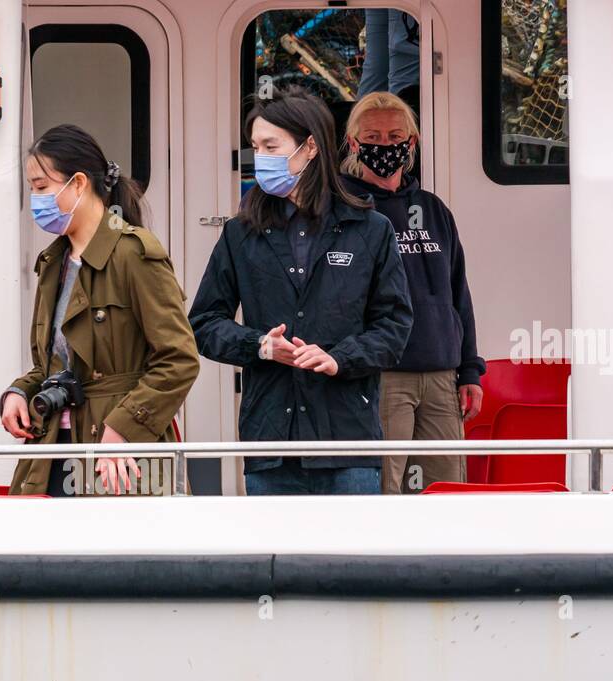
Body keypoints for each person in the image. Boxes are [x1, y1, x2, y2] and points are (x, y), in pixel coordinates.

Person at [190, 86, 412, 496]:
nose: (260, 158)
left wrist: (338, 358)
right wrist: (259, 345)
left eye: (271, 146)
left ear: (310, 147)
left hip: (348, 443)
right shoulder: (240, 233)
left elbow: (395, 327)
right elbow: (203, 323)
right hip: (271, 442)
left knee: (350, 560)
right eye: (255, 147)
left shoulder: (370, 229)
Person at [0, 125, 199, 496]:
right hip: (52, 450)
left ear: (78, 183)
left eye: (42, 187)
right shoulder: (54, 262)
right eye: (31, 188)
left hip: (122, 455)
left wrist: (123, 427)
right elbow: (55, 365)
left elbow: (179, 359)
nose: (35, 199)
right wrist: (18, 392)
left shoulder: (133, 253)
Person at [341, 91, 484, 494]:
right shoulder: (344, 209)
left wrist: (469, 369)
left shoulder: (434, 209)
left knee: (446, 493)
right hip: (382, 376)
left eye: (394, 136)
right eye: (373, 136)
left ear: (412, 142)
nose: (384, 145)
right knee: (385, 490)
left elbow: (458, 294)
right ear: (354, 143)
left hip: (441, 375)